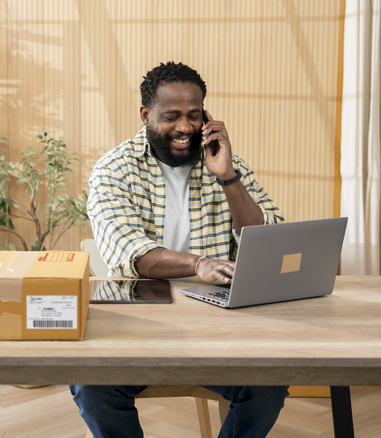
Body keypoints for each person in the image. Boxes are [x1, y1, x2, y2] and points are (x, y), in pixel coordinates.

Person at [70, 62, 288, 437]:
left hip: (218, 330)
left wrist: (228, 177)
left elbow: (268, 242)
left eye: (193, 115)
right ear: (145, 115)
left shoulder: (225, 163)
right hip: (137, 329)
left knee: (267, 383)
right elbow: (133, 253)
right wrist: (199, 264)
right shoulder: (113, 170)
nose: (185, 127)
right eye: (171, 116)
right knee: (91, 385)